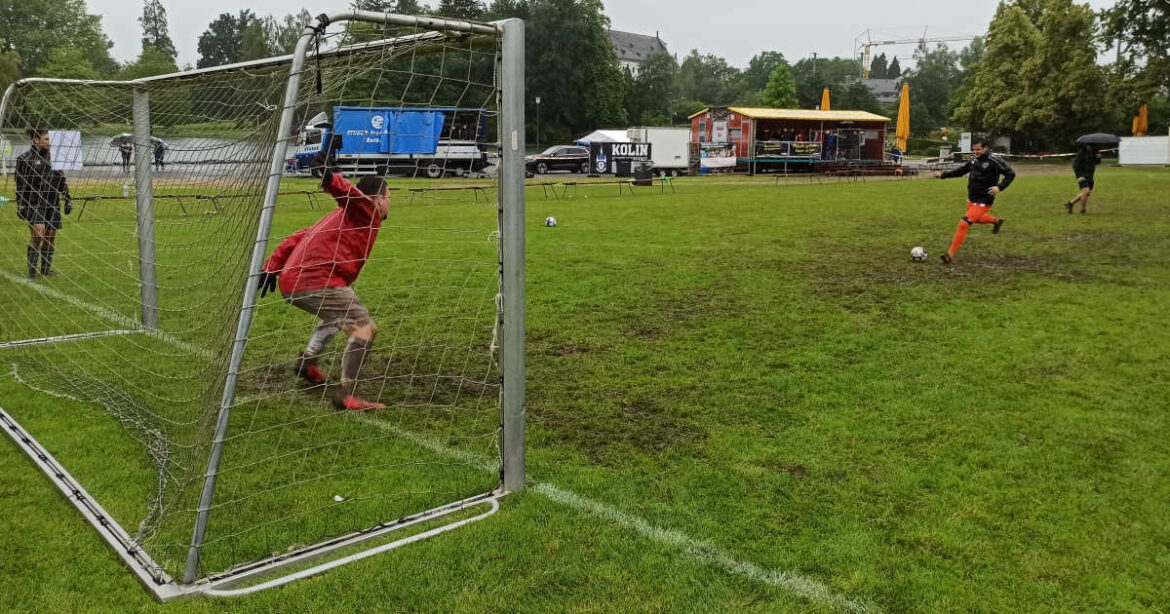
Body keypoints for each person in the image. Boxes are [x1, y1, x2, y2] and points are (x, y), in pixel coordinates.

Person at [258, 152, 390, 411]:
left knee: (336, 318)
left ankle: (306, 364)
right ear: (378, 199)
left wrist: (272, 266)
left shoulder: (341, 216)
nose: (388, 204)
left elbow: (300, 235)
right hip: (316, 280)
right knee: (365, 328)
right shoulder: (366, 211)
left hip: (296, 280)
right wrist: (331, 179)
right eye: (389, 198)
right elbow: (349, 194)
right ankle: (348, 395)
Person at [932, 136, 1015, 264]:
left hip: (984, 199)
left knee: (964, 224)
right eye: (974, 149)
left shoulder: (994, 160)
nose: (976, 152)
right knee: (978, 219)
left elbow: (1010, 174)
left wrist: (1000, 187)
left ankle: (949, 255)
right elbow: (960, 171)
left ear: (986, 148)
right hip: (972, 198)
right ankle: (996, 222)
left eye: (978, 149)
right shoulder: (973, 161)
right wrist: (942, 175)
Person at [15, 128, 71, 280]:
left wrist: (67, 199)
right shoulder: (24, 159)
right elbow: (20, 185)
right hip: (33, 202)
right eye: (46, 139)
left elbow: (61, 181)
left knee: (50, 236)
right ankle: (32, 273)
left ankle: (46, 269)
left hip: (52, 203)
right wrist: (20, 205)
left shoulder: (55, 158)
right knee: (38, 234)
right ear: (36, 140)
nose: (50, 142)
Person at [1064, 143, 1100, 215]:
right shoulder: (1081, 153)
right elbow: (1075, 165)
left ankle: (1070, 203)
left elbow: (1096, 162)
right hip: (1082, 176)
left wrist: (1098, 158)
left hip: (1090, 176)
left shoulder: (1093, 152)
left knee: (1087, 193)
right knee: (1085, 191)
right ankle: (1083, 210)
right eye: (1088, 146)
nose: (1089, 147)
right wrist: (1079, 176)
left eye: (1091, 146)